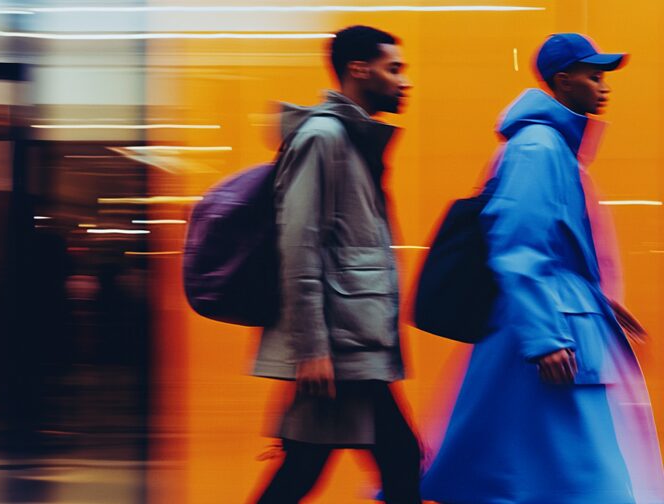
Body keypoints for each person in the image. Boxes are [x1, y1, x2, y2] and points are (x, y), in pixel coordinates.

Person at [420, 33, 664, 503]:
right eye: (594, 75)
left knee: (530, 470)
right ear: (562, 80)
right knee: (575, 475)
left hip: (552, 327)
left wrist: (599, 303)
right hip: (552, 335)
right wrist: (546, 337)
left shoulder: (546, 145)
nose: (604, 85)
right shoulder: (539, 147)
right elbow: (517, 245)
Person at [251, 25, 421, 504]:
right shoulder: (324, 138)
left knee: (308, 468)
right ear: (358, 70)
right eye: (395, 69)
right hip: (338, 352)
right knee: (398, 460)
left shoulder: (351, 141)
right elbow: (299, 245)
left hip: (351, 345)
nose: (404, 81)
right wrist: (312, 348)